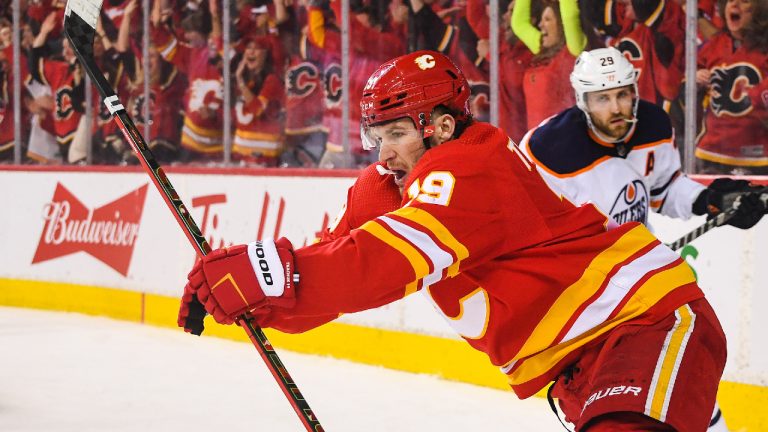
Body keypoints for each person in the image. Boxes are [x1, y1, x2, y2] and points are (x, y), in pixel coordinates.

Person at [178, 50, 726, 431]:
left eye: (397, 134)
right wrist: (256, 297)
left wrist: (267, 275)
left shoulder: (474, 165)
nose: (383, 153)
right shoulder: (392, 185)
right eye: (377, 136)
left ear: (439, 127)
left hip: (642, 324)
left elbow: (385, 261)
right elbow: (335, 260)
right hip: (576, 366)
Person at [520, 47, 768, 431]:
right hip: (580, 305)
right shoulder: (548, 150)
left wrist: (713, 198)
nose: (617, 107)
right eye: (603, 98)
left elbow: (665, 189)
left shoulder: (652, 124)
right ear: (583, 100)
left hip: (640, 287)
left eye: (623, 94)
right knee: (605, 408)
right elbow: (527, 236)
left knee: (679, 385)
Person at [695, 0, 768, 175]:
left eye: (744, 1)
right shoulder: (713, 44)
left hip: (759, 156)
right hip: (711, 152)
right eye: (729, 0)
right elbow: (686, 83)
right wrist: (696, 78)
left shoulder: (764, 48)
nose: (733, 4)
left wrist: (758, 95)